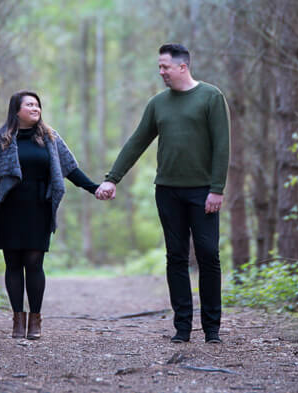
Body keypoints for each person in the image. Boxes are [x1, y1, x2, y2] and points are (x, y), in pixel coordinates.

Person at [95, 43, 230, 344]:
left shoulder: (211, 97)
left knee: (208, 255)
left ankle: (212, 329)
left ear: (182, 66)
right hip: (168, 191)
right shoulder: (158, 103)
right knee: (176, 257)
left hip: (203, 192)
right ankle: (182, 328)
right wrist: (112, 179)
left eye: (165, 67)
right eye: (159, 67)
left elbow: (222, 146)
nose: (161, 72)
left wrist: (217, 189)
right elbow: (137, 142)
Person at [0, 90, 108, 340]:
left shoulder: (50, 138)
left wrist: (94, 188)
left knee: (34, 263)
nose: (35, 108)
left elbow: (71, 170)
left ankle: (35, 320)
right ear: (16, 110)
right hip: (8, 209)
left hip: (39, 207)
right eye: (29, 104)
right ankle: (18, 320)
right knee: (12, 264)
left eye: (37, 105)